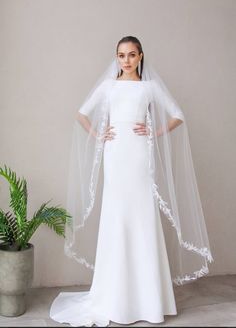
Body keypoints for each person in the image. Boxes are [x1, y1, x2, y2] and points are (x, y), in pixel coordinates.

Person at [50, 36, 213, 327]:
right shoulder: (108, 87)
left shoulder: (149, 88)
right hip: (115, 156)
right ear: (116, 58)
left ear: (140, 57)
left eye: (131, 55)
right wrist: (99, 135)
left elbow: (178, 115)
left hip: (139, 155)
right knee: (117, 214)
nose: (126, 60)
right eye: (121, 55)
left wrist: (155, 131)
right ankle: (115, 297)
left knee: (142, 215)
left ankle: (150, 300)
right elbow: (81, 114)